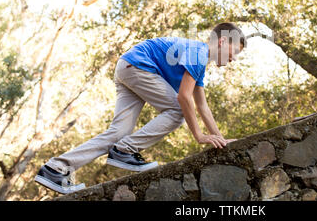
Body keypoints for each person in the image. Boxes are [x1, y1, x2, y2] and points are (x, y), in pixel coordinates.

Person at [34, 22, 247, 194]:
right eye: (234, 51)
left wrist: (219, 138)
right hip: (138, 66)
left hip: (127, 67)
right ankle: (125, 150)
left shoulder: (199, 61)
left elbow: (202, 105)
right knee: (178, 110)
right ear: (222, 41)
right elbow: (184, 98)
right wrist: (199, 136)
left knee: (119, 132)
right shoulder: (198, 52)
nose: (234, 58)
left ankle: (56, 168)